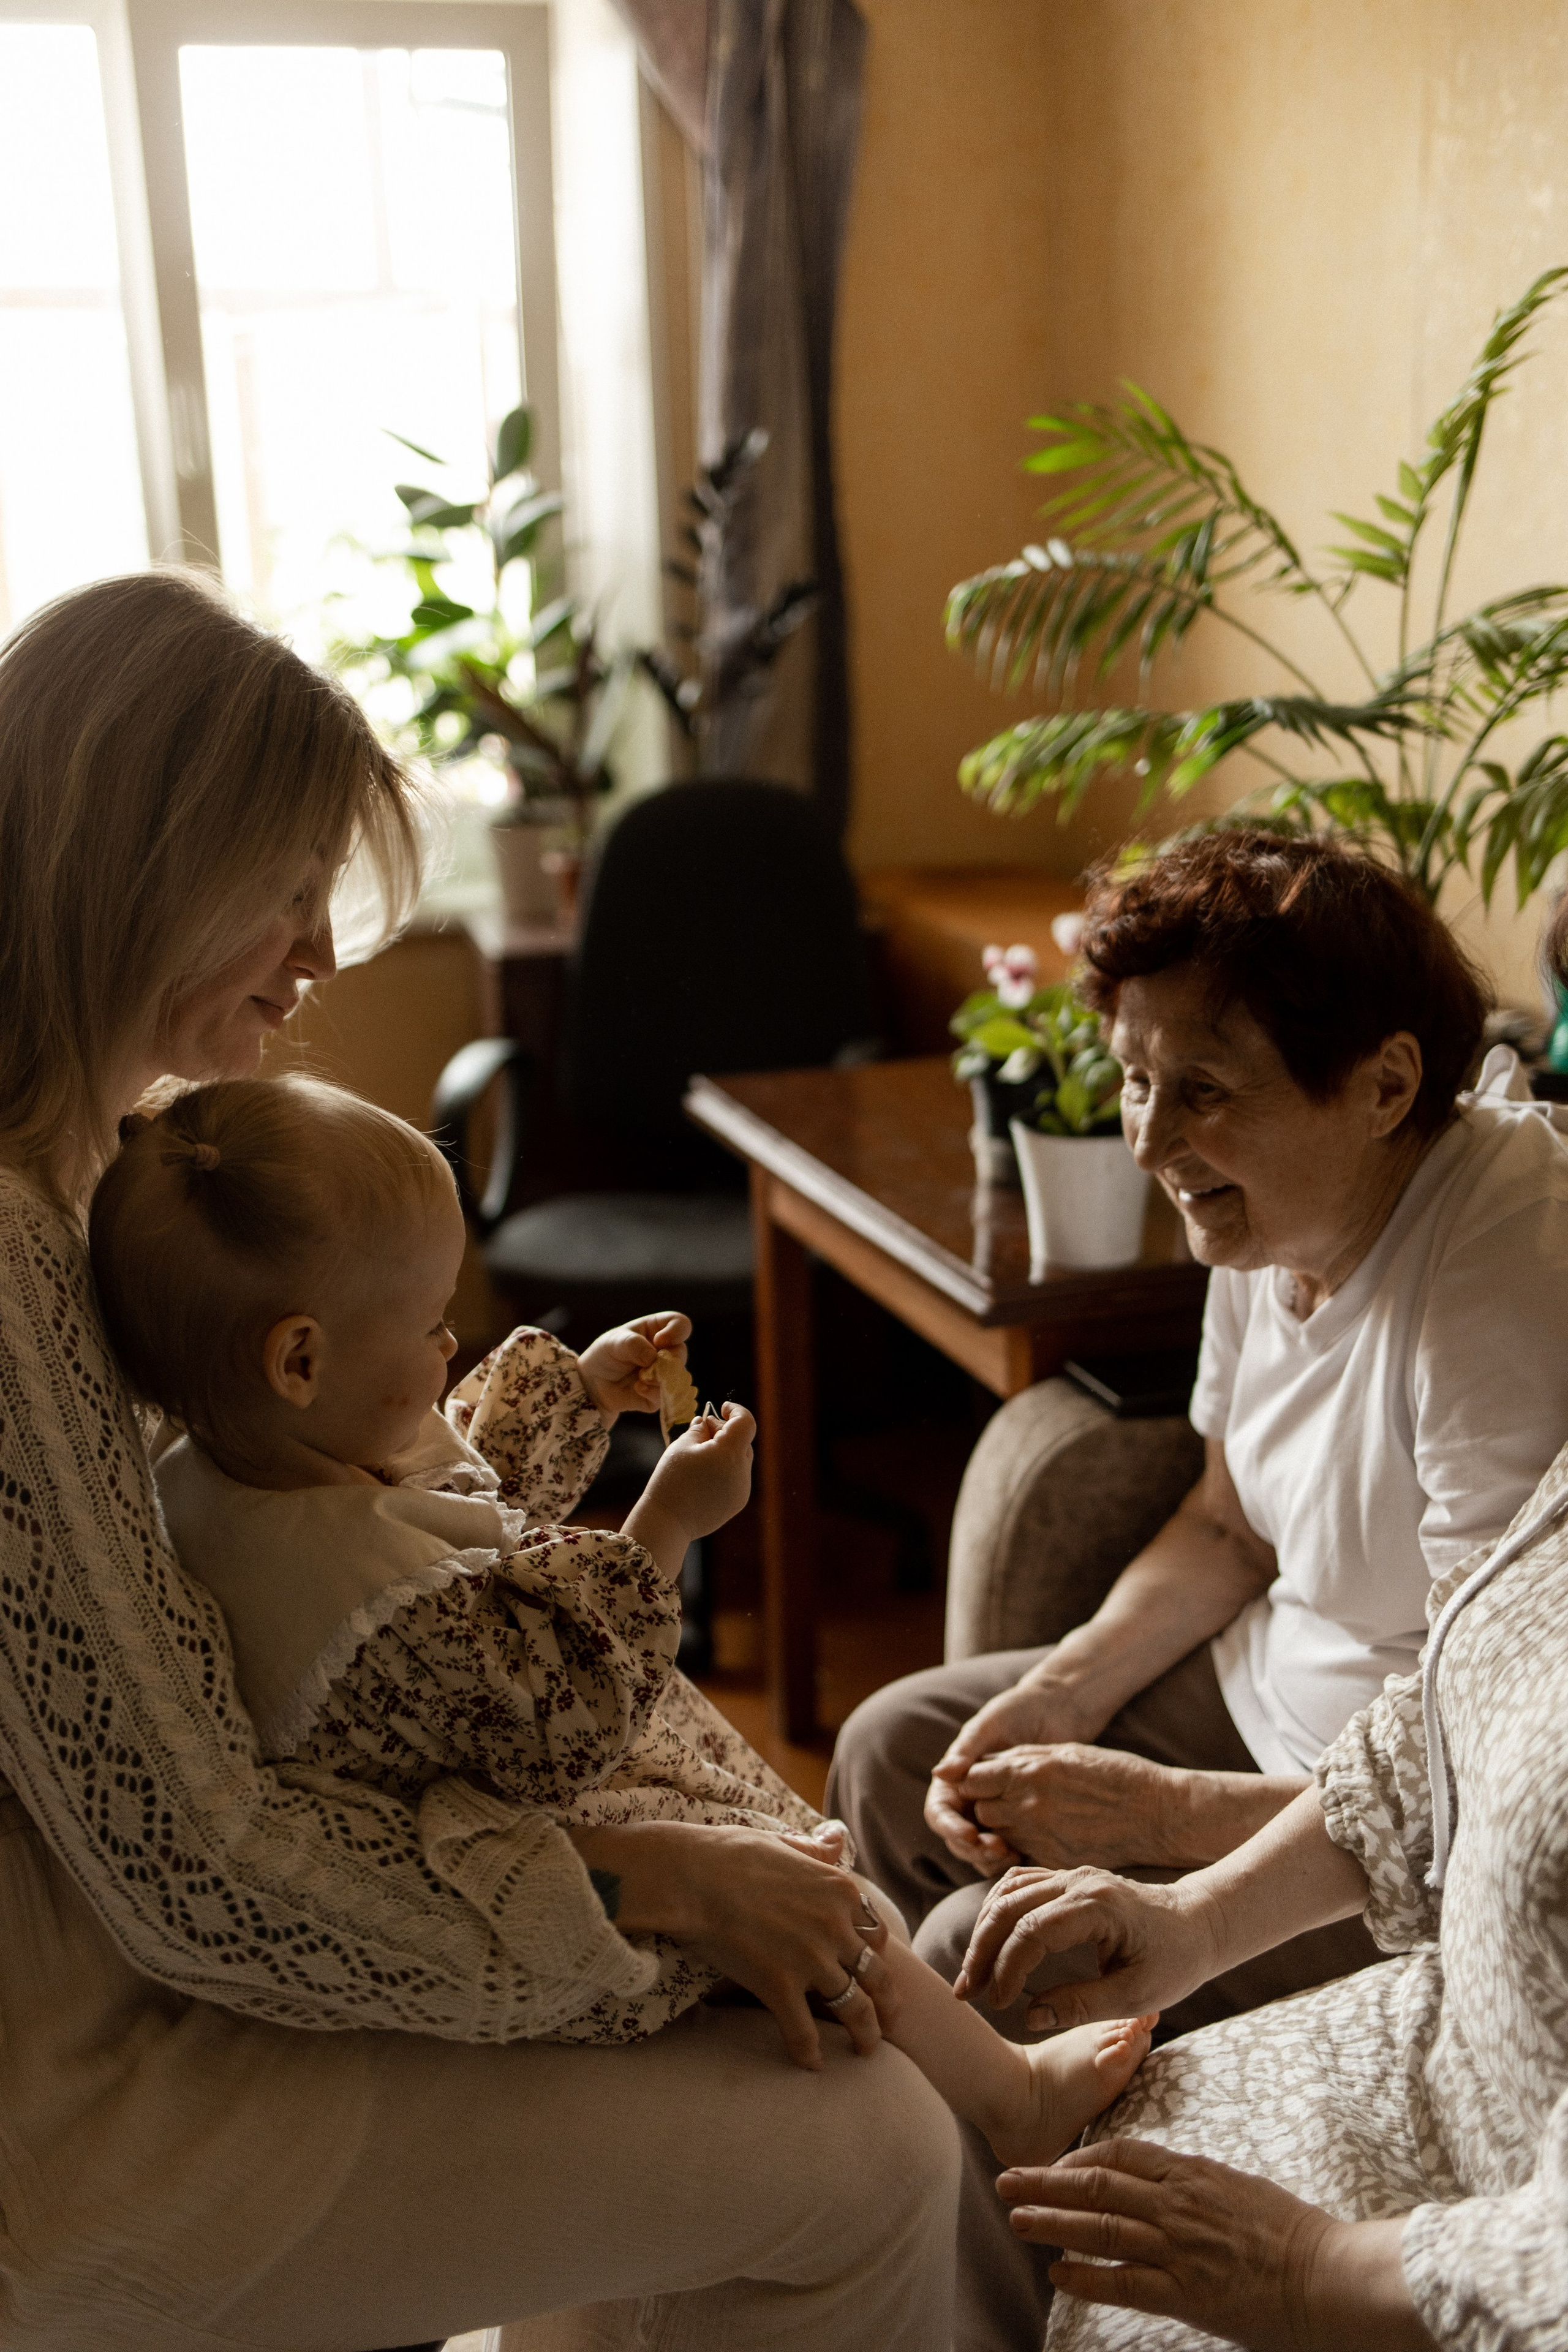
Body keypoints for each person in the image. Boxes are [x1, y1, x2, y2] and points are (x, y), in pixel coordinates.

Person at [0, 568, 960, 2351]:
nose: (322, 951)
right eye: (285, 894)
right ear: (146, 871)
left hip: (174, 1953)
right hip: (83, 2093)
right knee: (874, 2145)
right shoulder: (12, 1257)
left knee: (790, 1986)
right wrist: (656, 1887)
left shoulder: (101, 1163)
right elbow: (188, 1856)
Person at [88, 1071, 1160, 2161]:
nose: (453, 1347)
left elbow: (452, 1484)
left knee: (811, 1874)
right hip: (542, 1861)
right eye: (429, 1323)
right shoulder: (374, 1608)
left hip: (501, 1771)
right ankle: (1012, 2096)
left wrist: (586, 1392)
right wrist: (668, 1524)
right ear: (303, 1359)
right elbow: (564, 1703)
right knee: (828, 1900)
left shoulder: (249, 1456)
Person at [826, 828, 1568, 2347]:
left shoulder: (1496, 1256)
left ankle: (952, 2240)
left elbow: (1473, 1738)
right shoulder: (1261, 1208)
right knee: (900, 1745)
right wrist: (1059, 1689)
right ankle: (908, 2207)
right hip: (1262, 1692)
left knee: (992, 1947)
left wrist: (1164, 1829)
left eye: (1202, 1089)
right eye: (1135, 1079)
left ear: (1380, 1086)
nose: (1151, 1138)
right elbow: (1228, 1526)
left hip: (1384, 1817)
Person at [951, 1317, 1568, 2349]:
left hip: (1485, 2244)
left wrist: (1305, 2270)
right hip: (1440, 2050)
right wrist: (1196, 1919)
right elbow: (1449, 1720)